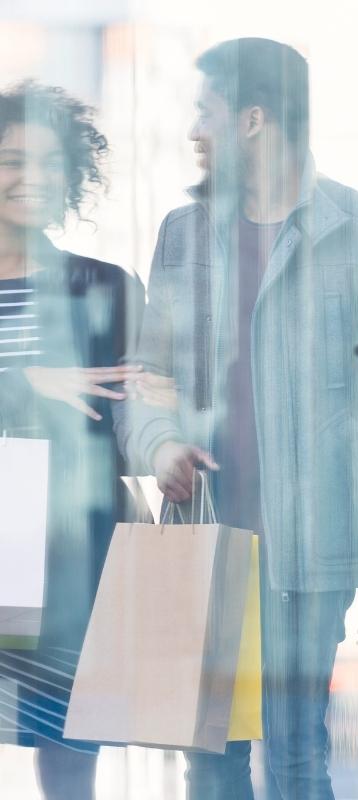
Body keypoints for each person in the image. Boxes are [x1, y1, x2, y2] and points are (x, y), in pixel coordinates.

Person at [113, 38, 358, 799]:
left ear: (254, 119)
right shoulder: (183, 234)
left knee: (297, 757)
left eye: (207, 113)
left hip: (313, 545)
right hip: (205, 540)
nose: (195, 131)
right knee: (210, 761)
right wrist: (158, 443)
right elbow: (148, 380)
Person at [0, 81, 144, 800]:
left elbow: (129, 423)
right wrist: (27, 387)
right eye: (11, 159)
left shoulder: (106, 286)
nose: (31, 178)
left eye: (50, 162)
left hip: (67, 551)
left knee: (64, 746)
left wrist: (168, 422)